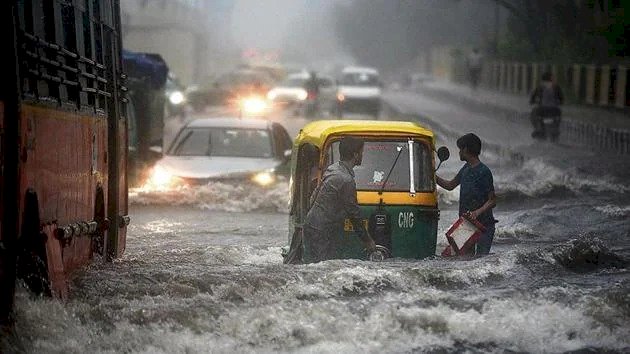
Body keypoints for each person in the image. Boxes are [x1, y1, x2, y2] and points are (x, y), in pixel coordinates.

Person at [303, 136, 377, 263]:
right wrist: (368, 240)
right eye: (362, 152)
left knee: (315, 266)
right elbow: (354, 214)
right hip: (321, 231)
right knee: (322, 268)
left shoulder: (333, 168)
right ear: (355, 154)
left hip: (312, 225)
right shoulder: (346, 180)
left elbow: (313, 196)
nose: (362, 155)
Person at [436, 133, 497, 255]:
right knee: (456, 258)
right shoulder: (466, 168)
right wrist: (433, 176)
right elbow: (450, 185)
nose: (459, 152)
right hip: (467, 224)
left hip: (484, 226)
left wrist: (476, 212)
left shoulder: (484, 171)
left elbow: (493, 200)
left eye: (460, 149)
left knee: (481, 261)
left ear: (466, 149)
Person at [529, 72, 563, 139]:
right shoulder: (556, 86)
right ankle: (556, 129)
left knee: (533, 114)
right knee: (558, 116)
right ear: (550, 78)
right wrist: (558, 102)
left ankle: (538, 128)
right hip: (555, 110)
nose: (554, 78)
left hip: (542, 110)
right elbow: (562, 99)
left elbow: (532, 98)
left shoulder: (539, 87)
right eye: (553, 77)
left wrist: (533, 101)